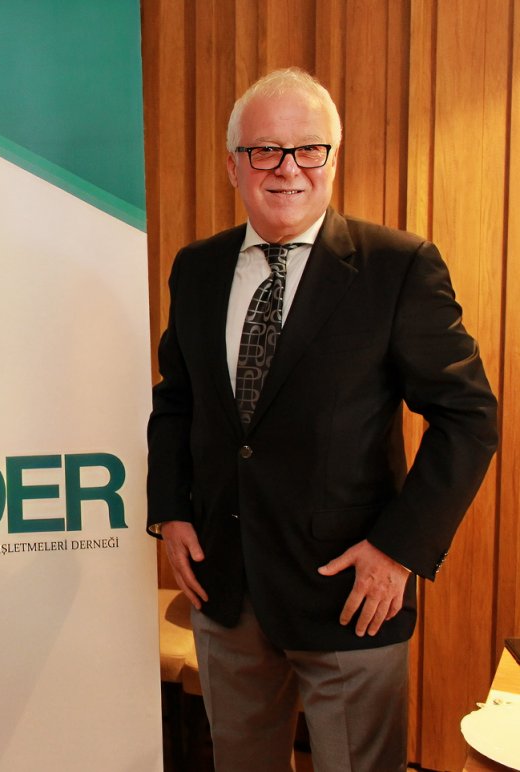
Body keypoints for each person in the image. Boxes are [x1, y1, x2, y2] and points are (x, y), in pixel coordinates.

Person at [147, 68, 498, 771]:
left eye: (309, 149)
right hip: (227, 586)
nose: (288, 169)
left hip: (350, 595)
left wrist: (398, 551)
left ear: (333, 160)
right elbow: (177, 398)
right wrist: (171, 511)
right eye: (265, 151)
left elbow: (468, 417)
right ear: (233, 165)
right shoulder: (198, 268)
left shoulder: (398, 266)